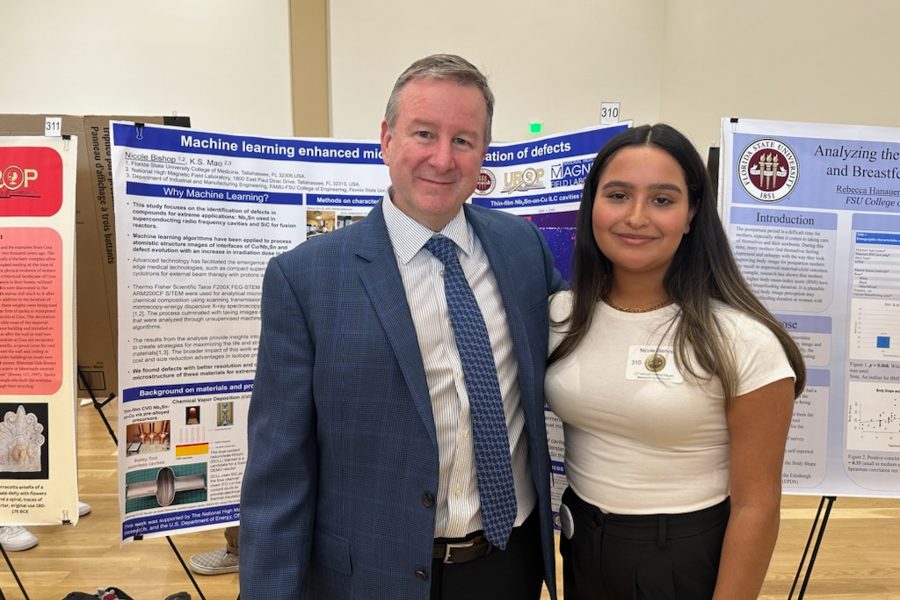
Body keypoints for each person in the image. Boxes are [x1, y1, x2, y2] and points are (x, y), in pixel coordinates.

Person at [239, 54, 562, 600]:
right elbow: (279, 474)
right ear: (386, 140)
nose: (442, 157)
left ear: (484, 152)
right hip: (368, 577)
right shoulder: (305, 279)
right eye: (423, 133)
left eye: (464, 139)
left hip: (507, 565)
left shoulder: (522, 249)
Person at [545, 123, 806, 600]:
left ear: (691, 214)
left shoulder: (743, 340)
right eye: (618, 195)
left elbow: (757, 506)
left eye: (662, 200)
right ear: (592, 206)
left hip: (682, 558)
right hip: (581, 541)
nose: (636, 217)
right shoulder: (559, 316)